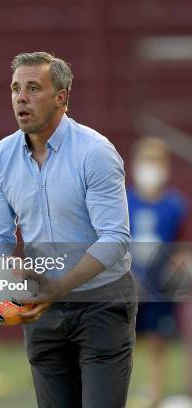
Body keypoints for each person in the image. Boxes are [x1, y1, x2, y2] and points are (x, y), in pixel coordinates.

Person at [0, 51, 136, 407]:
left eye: (33, 88)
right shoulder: (1, 157)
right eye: (16, 88)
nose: (21, 97)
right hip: (43, 311)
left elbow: (116, 239)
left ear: (61, 97)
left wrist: (58, 287)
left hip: (101, 303)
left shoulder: (95, 152)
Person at [128, 137, 187, 406]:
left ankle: (156, 390)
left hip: (159, 285)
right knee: (119, 340)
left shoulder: (175, 204)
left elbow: (180, 246)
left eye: (156, 162)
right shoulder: (124, 201)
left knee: (157, 340)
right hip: (128, 282)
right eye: (145, 161)